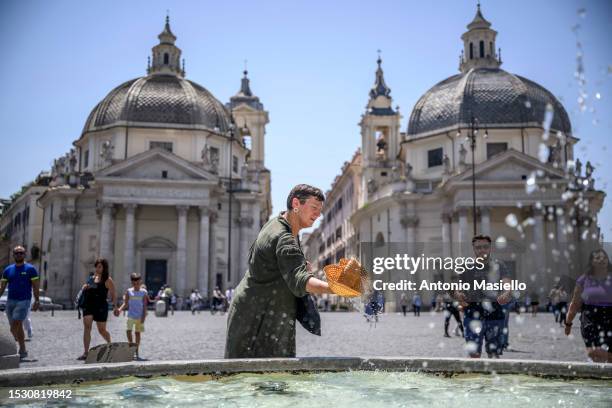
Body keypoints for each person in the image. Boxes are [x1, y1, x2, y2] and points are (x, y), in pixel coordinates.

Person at [225, 184, 333, 358]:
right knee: (262, 376)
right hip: (261, 318)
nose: (317, 214)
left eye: (319, 210)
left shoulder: (278, 223)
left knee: (246, 376)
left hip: (252, 310)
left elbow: (278, 261)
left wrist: (297, 262)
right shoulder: (285, 237)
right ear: (296, 203)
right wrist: (337, 287)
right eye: (314, 208)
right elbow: (301, 280)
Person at [453, 235, 513, 359]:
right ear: (474, 249)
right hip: (472, 315)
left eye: (485, 247)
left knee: (494, 354)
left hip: (495, 315)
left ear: (490, 247)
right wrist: (458, 295)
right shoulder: (466, 267)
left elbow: (507, 283)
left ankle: (492, 378)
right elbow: (457, 288)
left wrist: (506, 292)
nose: (482, 250)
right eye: (478, 247)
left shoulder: (499, 265)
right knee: (474, 354)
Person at [564, 248, 612, 363]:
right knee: (592, 353)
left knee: (608, 356)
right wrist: (568, 323)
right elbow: (575, 304)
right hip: (590, 317)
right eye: (598, 258)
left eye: (604, 257)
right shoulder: (583, 279)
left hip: (611, 317)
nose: (602, 260)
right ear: (592, 262)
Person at [0, 245, 40, 360]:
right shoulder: (7, 270)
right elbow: (2, 287)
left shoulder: (30, 269)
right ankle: (23, 349)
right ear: (13, 255)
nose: (19, 255)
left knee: (15, 325)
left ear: (24, 254)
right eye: (17, 253)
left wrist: (37, 300)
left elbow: (36, 287)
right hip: (10, 301)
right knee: (17, 327)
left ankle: (10, 347)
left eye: (21, 253)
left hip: (24, 300)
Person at [77, 258, 118, 360]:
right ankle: (86, 353)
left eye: (99, 266)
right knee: (87, 328)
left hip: (101, 307)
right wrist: (85, 287)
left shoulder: (108, 280)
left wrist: (115, 307)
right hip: (88, 305)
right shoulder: (91, 278)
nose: (97, 268)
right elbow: (84, 289)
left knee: (102, 330)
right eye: (96, 266)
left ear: (104, 268)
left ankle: (110, 345)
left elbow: (113, 294)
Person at [116, 273, 148, 360]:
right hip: (130, 315)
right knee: (128, 331)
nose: (136, 285)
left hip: (139, 316)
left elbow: (145, 306)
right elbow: (125, 304)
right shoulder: (129, 291)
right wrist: (119, 310)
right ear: (132, 283)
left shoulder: (144, 292)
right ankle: (131, 345)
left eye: (137, 283)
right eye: (134, 283)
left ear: (140, 282)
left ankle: (136, 350)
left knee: (137, 333)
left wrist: (144, 317)